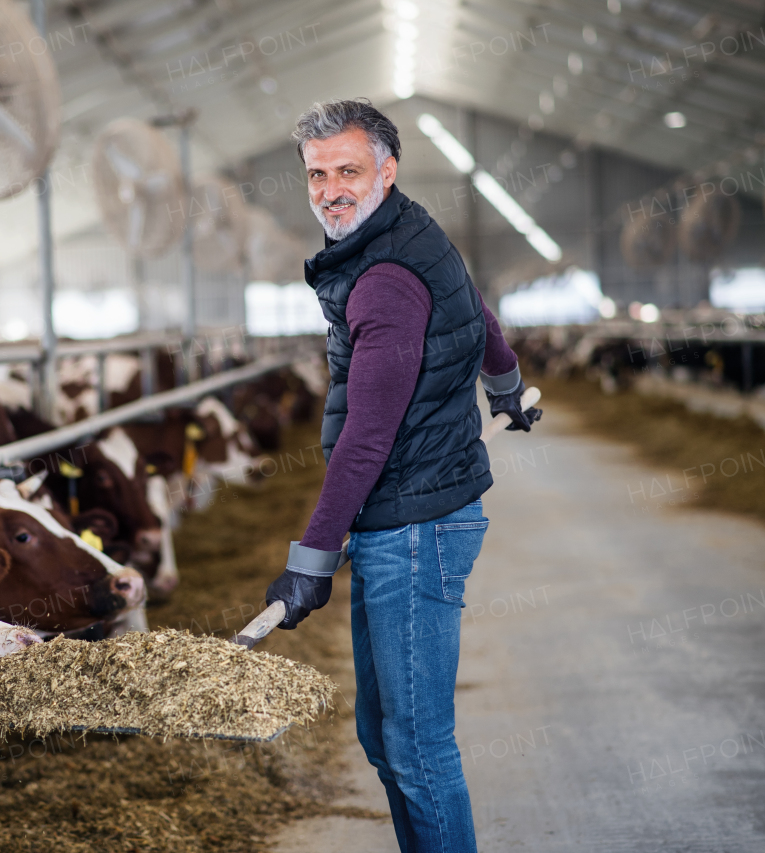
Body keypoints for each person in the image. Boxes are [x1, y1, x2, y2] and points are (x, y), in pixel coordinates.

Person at [264, 98, 541, 853]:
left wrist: (310, 559)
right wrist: (507, 383)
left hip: (415, 525)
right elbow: (475, 308)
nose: (330, 189)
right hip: (408, 513)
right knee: (384, 734)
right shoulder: (411, 232)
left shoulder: (383, 279)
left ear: (387, 170)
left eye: (348, 170)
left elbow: (367, 436)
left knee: (416, 745)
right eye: (317, 174)